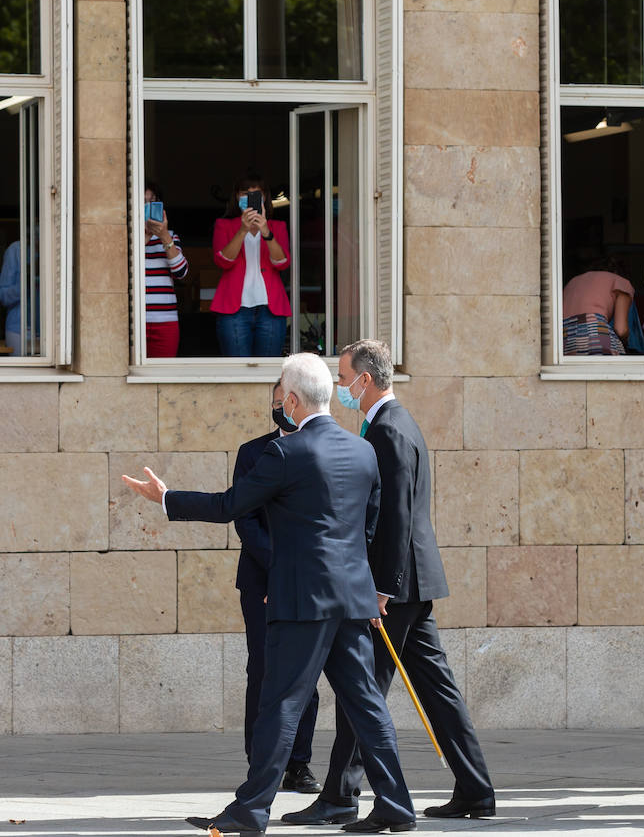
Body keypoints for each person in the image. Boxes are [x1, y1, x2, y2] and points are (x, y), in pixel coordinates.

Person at [121, 354, 414, 836]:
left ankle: (250, 810)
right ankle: (397, 806)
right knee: (366, 703)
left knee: (280, 702)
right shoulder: (362, 451)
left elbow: (229, 506)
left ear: (293, 401)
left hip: (303, 599)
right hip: (351, 597)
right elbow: (370, 527)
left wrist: (166, 498)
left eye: (283, 395)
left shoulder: (286, 453)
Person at [286, 340, 495, 827]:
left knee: (362, 690)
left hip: (395, 586)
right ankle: (475, 789)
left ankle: (341, 794)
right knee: (437, 690)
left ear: (367, 379)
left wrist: (383, 586)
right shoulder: (389, 424)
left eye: (344, 379)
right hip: (410, 583)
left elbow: (397, 515)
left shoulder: (388, 430)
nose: (341, 388)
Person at [232, 380, 321, 795]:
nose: (279, 407)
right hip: (262, 578)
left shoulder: (319, 448)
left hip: (306, 581)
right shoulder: (253, 452)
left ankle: (298, 763)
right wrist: (277, 567)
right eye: (273, 402)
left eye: (283, 401)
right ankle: (260, 761)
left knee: (306, 674)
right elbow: (244, 519)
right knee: (263, 669)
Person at [212, 174, 291, 358]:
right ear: (237, 198)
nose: (250, 198)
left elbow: (282, 263)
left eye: (256, 194)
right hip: (234, 310)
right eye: (245, 194)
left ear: (264, 198)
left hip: (270, 309)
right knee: (237, 370)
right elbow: (223, 261)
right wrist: (243, 229)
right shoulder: (224, 225)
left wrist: (265, 231)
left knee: (267, 371)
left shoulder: (277, 227)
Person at [143, 181, 189, 358]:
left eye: (152, 201)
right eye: (143, 202)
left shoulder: (170, 236)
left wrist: (164, 236)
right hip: (133, 320)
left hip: (165, 320)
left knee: (162, 374)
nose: (148, 206)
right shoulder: (125, 236)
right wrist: (143, 238)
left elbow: (181, 273)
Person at [561, 258, 633, 356]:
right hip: (595, 336)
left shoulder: (573, 281)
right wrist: (625, 341)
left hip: (564, 338)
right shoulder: (621, 281)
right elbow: (621, 330)